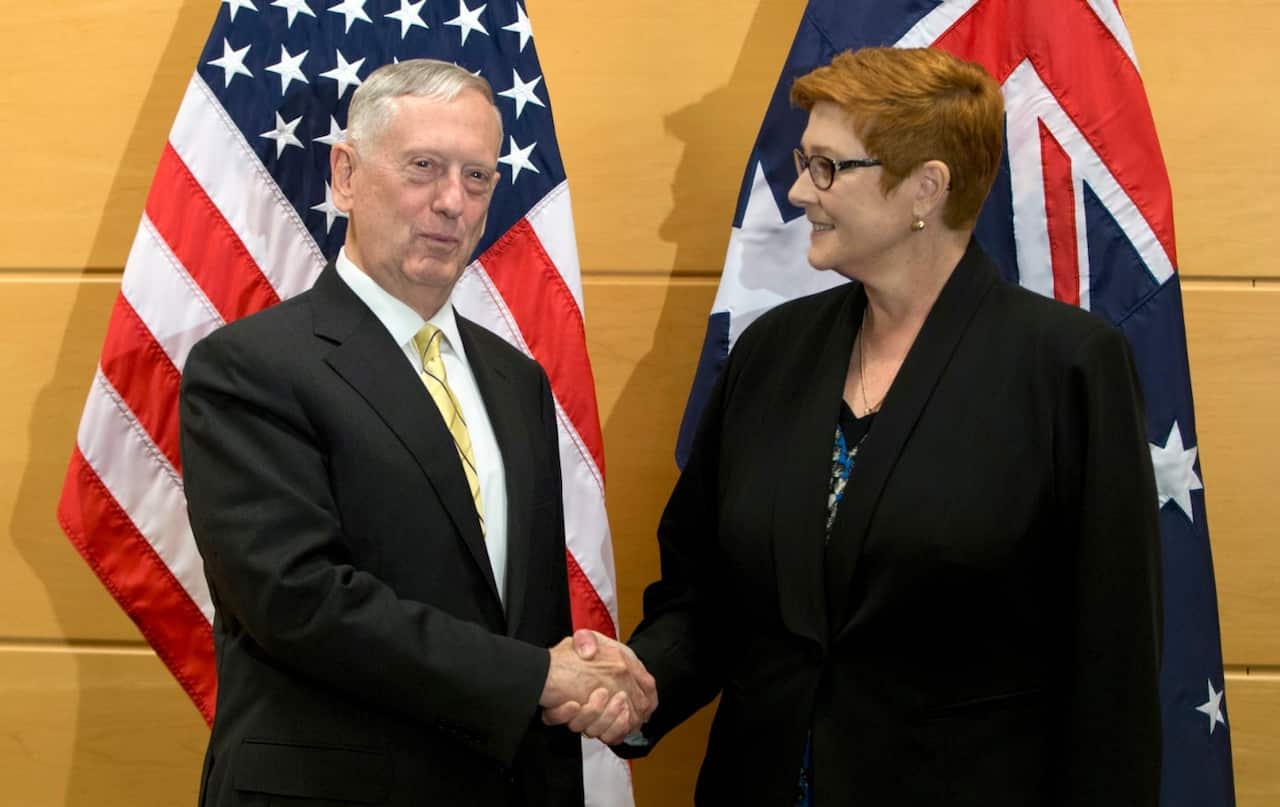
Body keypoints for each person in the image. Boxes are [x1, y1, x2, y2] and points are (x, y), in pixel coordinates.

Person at [576, 47, 1164, 805]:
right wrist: (641, 680)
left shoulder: (1069, 369)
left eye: (826, 167)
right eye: (802, 161)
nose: (797, 190)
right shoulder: (772, 353)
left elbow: (1113, 670)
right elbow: (709, 598)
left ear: (926, 186)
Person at [180, 59, 653, 807]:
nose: (451, 203)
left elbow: (525, 616)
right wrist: (539, 677)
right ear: (345, 173)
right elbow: (300, 601)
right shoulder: (248, 369)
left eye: (477, 178)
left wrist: (590, 677)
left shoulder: (515, 379)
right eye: (424, 167)